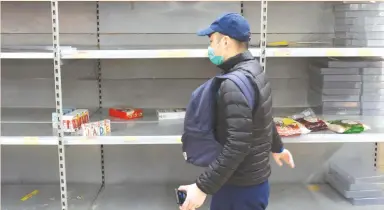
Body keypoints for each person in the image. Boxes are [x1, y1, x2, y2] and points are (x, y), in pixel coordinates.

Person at [178, 13, 295, 210]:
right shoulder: (255, 70)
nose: (210, 47)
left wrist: (202, 187)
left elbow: (237, 145)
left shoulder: (233, 84)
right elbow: (262, 117)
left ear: (225, 41)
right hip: (253, 182)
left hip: (238, 187)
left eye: (211, 40)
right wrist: (278, 147)